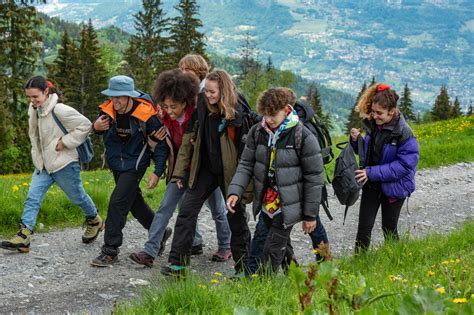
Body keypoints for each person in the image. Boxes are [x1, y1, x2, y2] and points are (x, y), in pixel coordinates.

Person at [129, 69, 232, 267]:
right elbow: (163, 146)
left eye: (173, 106)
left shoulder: (199, 116)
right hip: (178, 169)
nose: (169, 110)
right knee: (164, 208)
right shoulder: (165, 119)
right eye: (165, 106)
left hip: (204, 171)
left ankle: (225, 246)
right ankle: (150, 251)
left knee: (218, 209)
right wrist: (159, 171)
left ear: (185, 102)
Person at [161, 69, 252, 276]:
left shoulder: (238, 111)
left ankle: (244, 268)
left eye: (212, 92)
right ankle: (178, 264)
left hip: (231, 172)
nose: (208, 96)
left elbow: (247, 152)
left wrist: (243, 183)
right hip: (206, 169)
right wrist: (178, 174)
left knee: (235, 217)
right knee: (187, 210)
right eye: (206, 91)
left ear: (224, 90)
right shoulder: (202, 104)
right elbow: (188, 139)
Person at [227, 87, 325, 274]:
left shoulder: (303, 136)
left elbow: (314, 178)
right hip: (267, 200)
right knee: (259, 241)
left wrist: (310, 215)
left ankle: (262, 283)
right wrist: (235, 191)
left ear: (287, 110)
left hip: (289, 201)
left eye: (273, 115)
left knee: (272, 248)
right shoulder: (258, 132)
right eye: (265, 114)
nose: (269, 119)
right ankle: (262, 277)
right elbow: (246, 163)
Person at [0, 76, 103, 253]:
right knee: (33, 197)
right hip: (43, 165)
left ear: (46, 92)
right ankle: (24, 236)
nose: (32, 101)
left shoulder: (60, 110)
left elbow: (85, 125)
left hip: (64, 163)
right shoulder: (34, 109)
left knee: (77, 197)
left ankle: (94, 219)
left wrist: (66, 141)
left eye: (35, 97)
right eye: (29, 97)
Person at [90, 75, 168, 267]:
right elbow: (100, 129)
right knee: (133, 200)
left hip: (136, 163)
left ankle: (110, 250)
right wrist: (96, 127)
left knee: (117, 201)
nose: (115, 101)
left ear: (129, 97)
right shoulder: (108, 110)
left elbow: (161, 144)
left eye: (119, 97)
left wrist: (158, 171)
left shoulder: (147, 115)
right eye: (112, 96)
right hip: (116, 162)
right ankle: (160, 231)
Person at [350, 83, 419, 252]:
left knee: (389, 229)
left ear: (392, 111)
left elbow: (403, 166)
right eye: (373, 111)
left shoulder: (404, 133)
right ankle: (359, 262)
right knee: (363, 228)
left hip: (394, 188)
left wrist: (371, 172)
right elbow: (368, 152)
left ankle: (394, 258)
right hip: (372, 185)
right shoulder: (373, 126)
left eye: (379, 113)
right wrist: (356, 141)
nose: (374, 116)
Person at [176, 54, 233, 260]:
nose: (183, 74)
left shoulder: (205, 92)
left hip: (215, 161)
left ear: (198, 71)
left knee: (217, 206)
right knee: (189, 205)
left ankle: (226, 245)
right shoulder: (189, 92)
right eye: (181, 70)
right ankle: (196, 242)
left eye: (187, 70)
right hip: (200, 159)